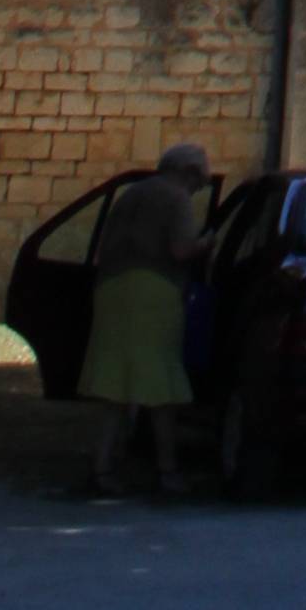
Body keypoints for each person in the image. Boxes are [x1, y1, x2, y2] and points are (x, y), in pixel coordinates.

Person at [78, 141, 212, 497]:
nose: (201, 186)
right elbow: (181, 249)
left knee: (114, 388)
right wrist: (208, 242)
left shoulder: (133, 194)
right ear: (189, 173)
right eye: (201, 178)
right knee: (161, 388)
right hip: (153, 292)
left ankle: (102, 469)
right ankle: (168, 473)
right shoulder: (176, 198)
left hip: (111, 289)